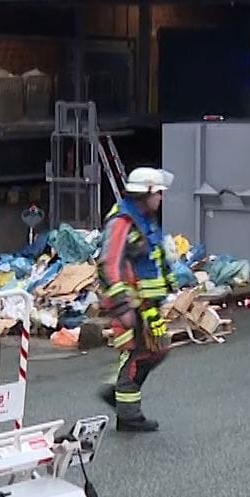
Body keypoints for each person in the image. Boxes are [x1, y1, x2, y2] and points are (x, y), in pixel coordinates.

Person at [96, 166, 177, 431]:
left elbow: (152, 258)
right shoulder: (122, 221)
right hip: (131, 305)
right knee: (135, 356)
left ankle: (117, 396)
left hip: (146, 305)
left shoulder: (144, 218)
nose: (162, 198)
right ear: (148, 192)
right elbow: (109, 264)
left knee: (157, 349)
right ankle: (128, 414)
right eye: (159, 193)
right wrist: (122, 307)